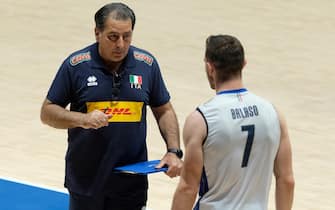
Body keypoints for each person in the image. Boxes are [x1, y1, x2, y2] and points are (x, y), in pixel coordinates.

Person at [40, 2, 183, 210]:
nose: (121, 45)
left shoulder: (147, 65)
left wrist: (174, 151)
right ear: (97, 33)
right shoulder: (76, 66)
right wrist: (83, 119)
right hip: (87, 182)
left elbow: (164, 109)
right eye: (113, 37)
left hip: (130, 183)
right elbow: (47, 112)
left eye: (127, 36)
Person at [171, 34, 295, 210]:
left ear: (209, 67)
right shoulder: (274, 114)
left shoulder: (200, 120)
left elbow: (188, 188)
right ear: (244, 64)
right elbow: (287, 180)